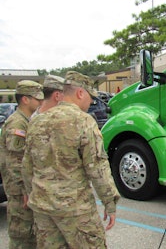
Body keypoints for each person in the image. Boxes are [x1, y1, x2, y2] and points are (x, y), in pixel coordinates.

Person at [22, 71, 120, 248]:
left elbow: (27, 166)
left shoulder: (36, 121)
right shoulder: (84, 121)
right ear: (80, 93)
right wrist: (109, 202)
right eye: (90, 97)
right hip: (75, 210)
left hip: (43, 209)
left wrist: (32, 195)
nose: (91, 102)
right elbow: (97, 167)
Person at [0, 80, 44, 249]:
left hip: (23, 189)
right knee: (22, 236)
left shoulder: (26, 121)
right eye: (36, 98)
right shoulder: (17, 124)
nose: (40, 102)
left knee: (29, 235)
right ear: (25, 99)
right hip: (19, 192)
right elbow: (15, 163)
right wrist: (25, 190)